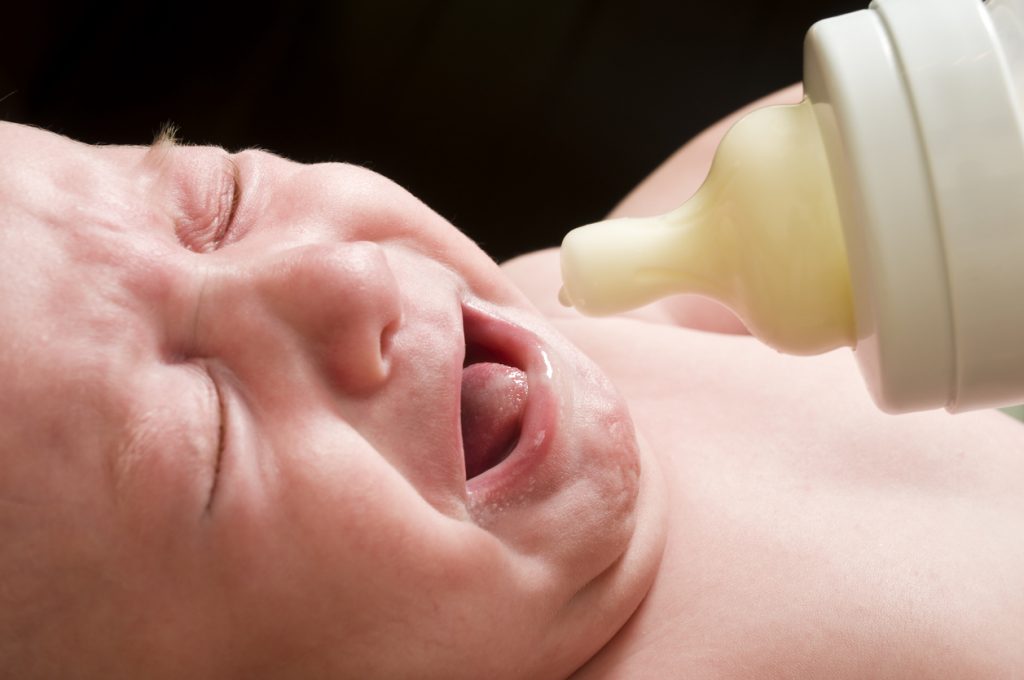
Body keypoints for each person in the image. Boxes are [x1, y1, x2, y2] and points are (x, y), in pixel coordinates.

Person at [0, 85, 1021, 679]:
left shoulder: (583, 311)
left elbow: (825, 175)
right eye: (209, 429)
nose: (342, 275)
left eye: (215, 201)